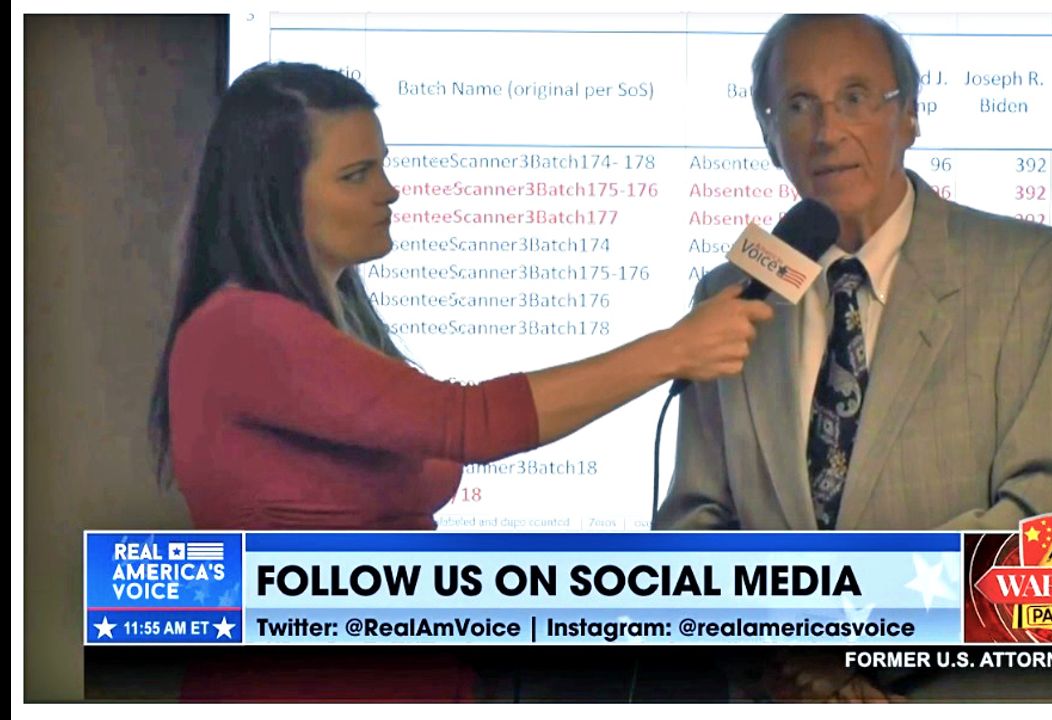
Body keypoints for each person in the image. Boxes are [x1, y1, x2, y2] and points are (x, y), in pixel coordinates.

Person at [146, 61, 772, 700]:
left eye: (382, 166)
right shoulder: (245, 327)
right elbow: (469, 423)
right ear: (274, 196)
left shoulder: (339, 324)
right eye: (356, 176)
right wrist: (673, 349)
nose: (389, 192)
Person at [654, 14, 1052, 701]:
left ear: (910, 116)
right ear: (769, 138)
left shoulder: (1029, 269)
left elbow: (1047, 508)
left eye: (856, 97)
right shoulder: (732, 295)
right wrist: (786, 664)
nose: (827, 131)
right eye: (798, 105)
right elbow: (696, 519)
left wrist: (855, 644)